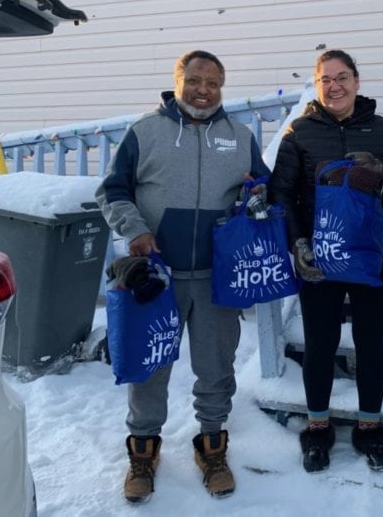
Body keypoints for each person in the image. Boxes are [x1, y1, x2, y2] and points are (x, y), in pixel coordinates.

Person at [95, 49, 270, 503]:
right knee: (149, 366)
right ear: (178, 80)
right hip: (157, 276)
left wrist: (258, 195)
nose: (203, 90)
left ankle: (212, 447)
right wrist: (135, 230)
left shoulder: (240, 135)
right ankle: (143, 450)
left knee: (216, 367)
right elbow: (112, 190)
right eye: (195, 80)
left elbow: (263, 188)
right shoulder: (145, 132)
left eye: (213, 82)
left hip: (217, 277)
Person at [269, 49, 383, 473]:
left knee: (371, 342)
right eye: (325, 79)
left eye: (342, 77)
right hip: (320, 254)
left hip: (372, 252)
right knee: (320, 342)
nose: (334, 86)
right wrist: (298, 244)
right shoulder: (299, 132)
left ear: (357, 81)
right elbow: (281, 195)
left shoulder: (381, 128)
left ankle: (370, 429)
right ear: (316, 85)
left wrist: (381, 170)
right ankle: (317, 429)